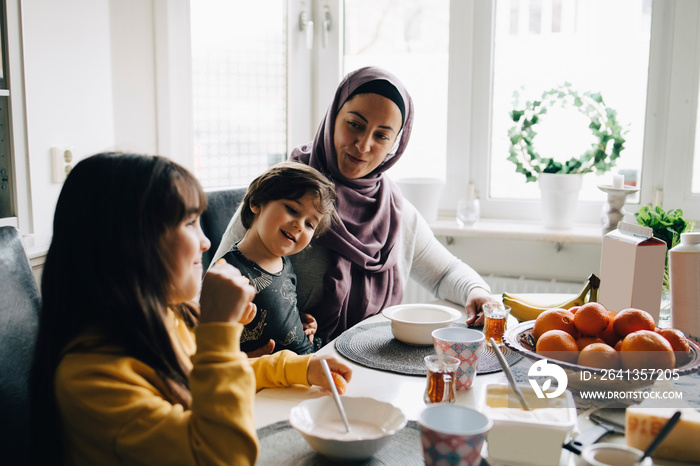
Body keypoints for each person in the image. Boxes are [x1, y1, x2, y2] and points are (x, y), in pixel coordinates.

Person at [29, 152, 352, 466]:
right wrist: (220, 331)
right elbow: (223, 457)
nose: (206, 242)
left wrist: (298, 367)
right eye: (189, 223)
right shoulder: (92, 378)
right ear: (131, 240)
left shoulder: (169, 317)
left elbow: (203, 377)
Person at [213, 66, 498, 344]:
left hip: (371, 360)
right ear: (333, 117)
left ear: (394, 145)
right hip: (289, 369)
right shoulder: (285, 189)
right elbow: (216, 284)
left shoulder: (395, 213)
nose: (363, 145)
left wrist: (477, 291)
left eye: (381, 135)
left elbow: (446, 273)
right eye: (354, 125)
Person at [221, 161, 337, 355]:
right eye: (292, 210)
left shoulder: (285, 264)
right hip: (268, 378)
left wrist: (298, 321)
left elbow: (274, 308)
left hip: (310, 361)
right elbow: (207, 342)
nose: (299, 225)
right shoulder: (227, 273)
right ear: (257, 202)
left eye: (309, 224)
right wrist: (242, 360)